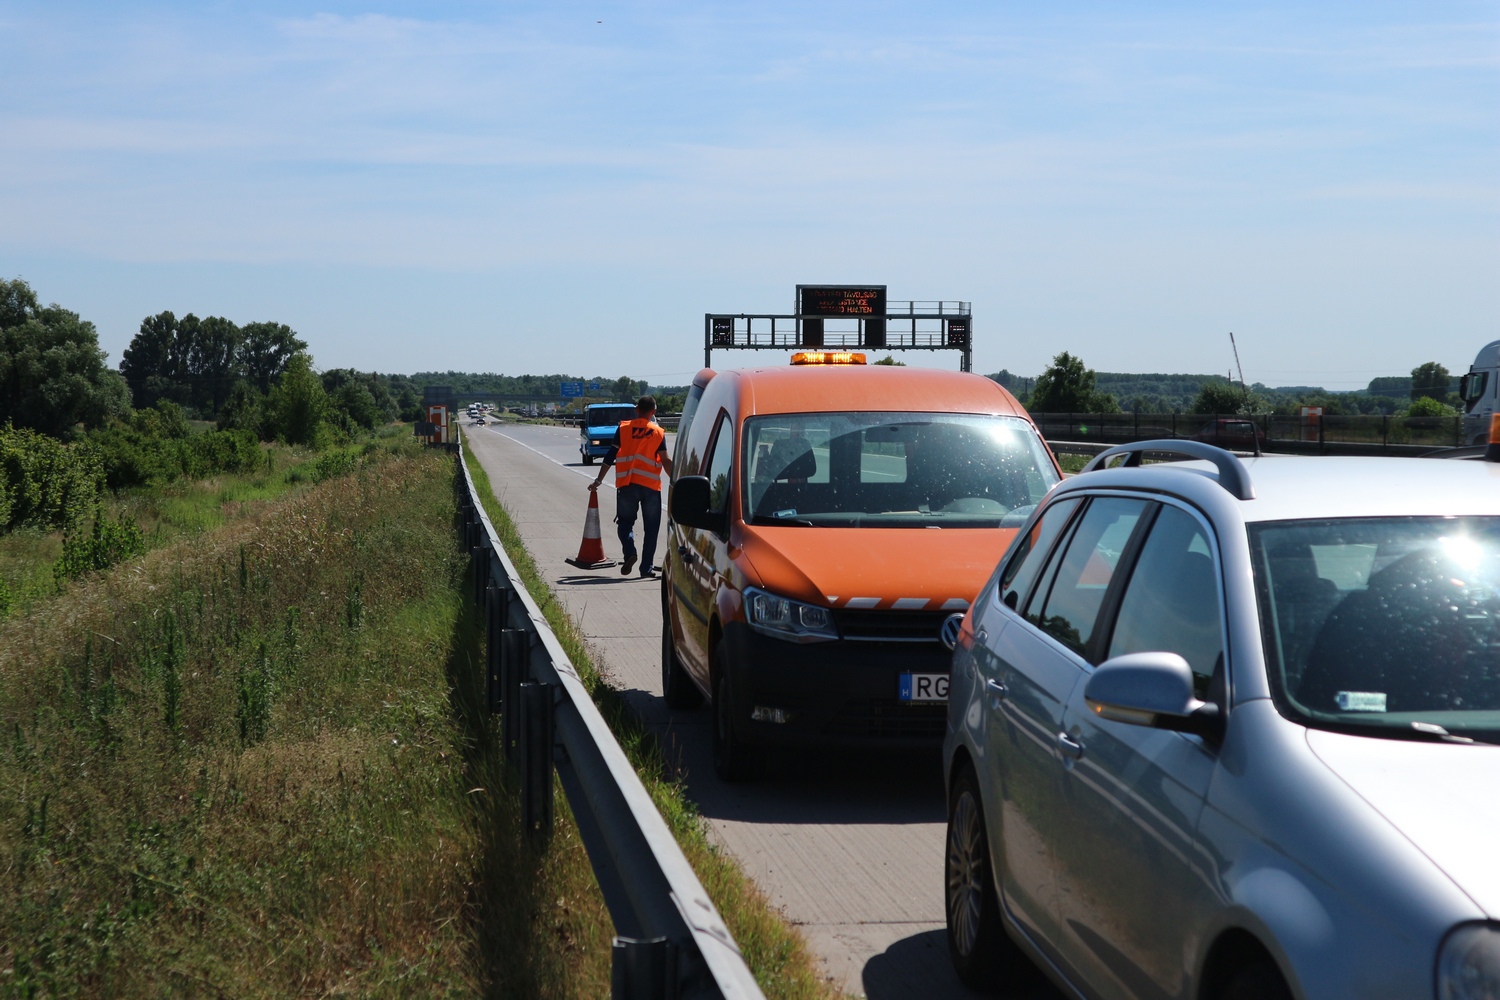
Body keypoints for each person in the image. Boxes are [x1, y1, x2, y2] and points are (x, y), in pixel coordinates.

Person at [589, 395, 673, 577]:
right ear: (654, 412)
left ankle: (630, 552)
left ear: (636, 410)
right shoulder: (658, 432)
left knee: (625, 524)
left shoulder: (624, 428)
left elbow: (610, 456)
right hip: (651, 487)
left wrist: (598, 480)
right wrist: (678, 481)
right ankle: (646, 568)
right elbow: (666, 461)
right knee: (651, 529)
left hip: (627, 484)